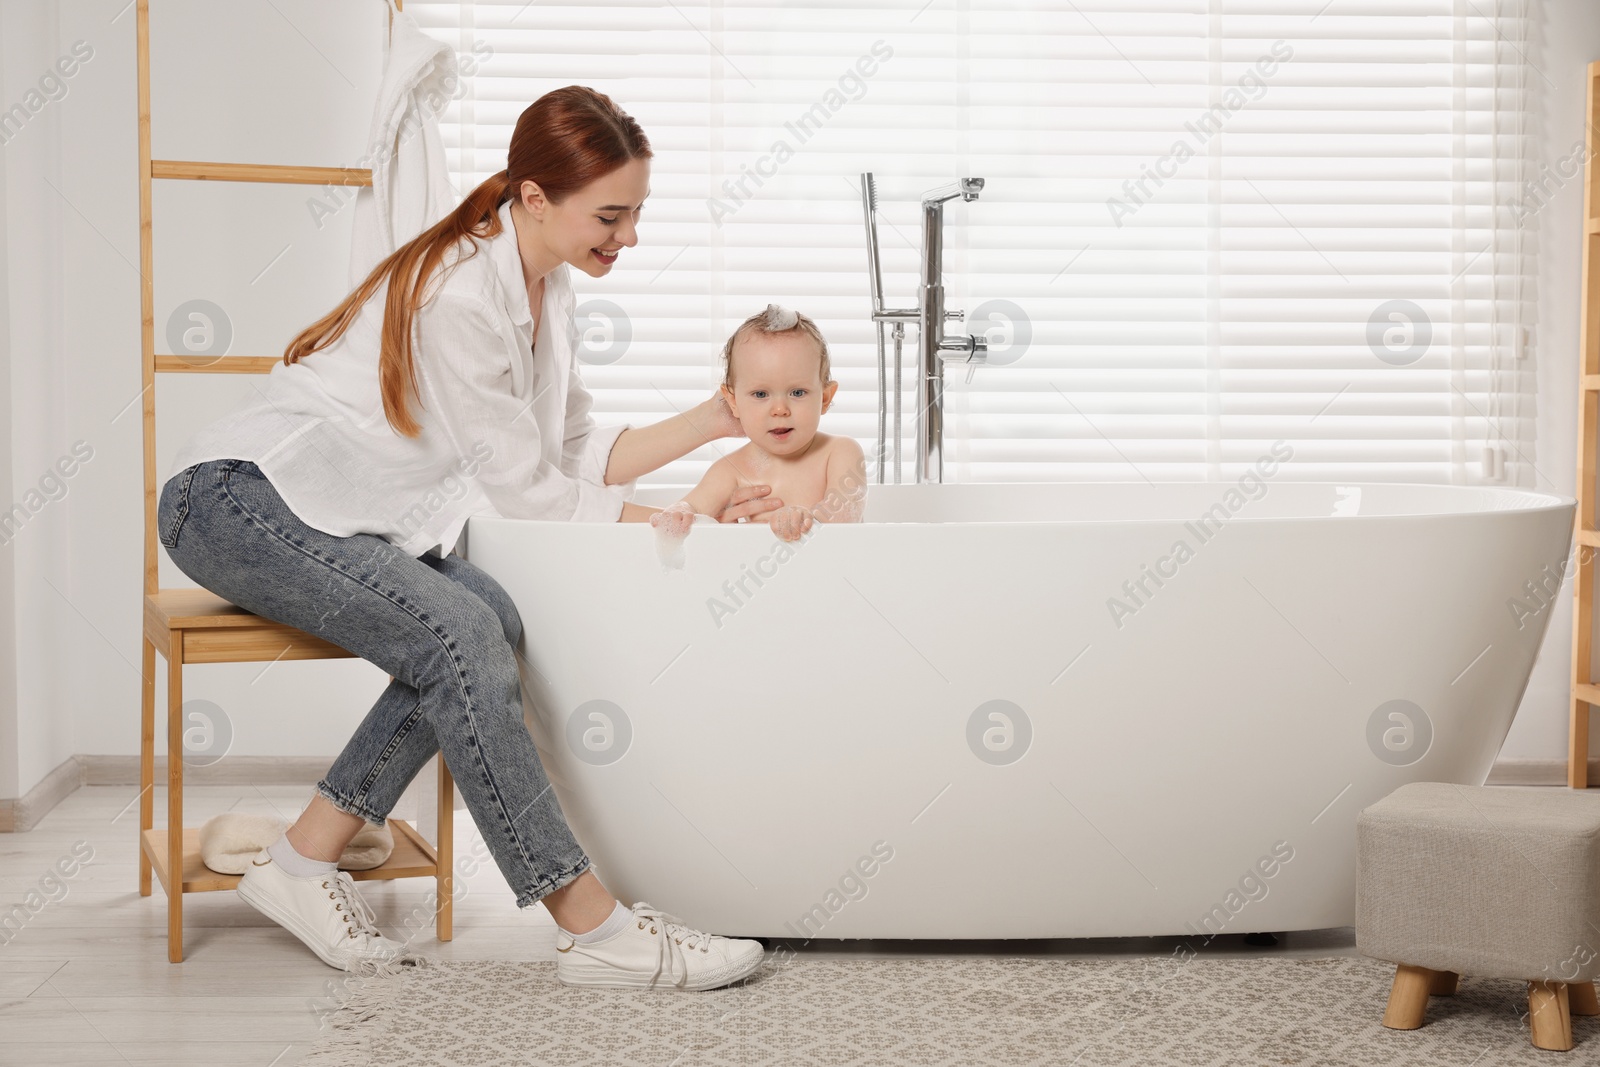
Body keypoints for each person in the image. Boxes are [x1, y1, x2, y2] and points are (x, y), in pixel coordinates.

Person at [156, 85, 782, 991]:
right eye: (611, 216)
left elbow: (566, 454)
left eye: (636, 214)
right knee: (461, 634)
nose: (629, 237)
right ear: (535, 197)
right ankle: (589, 923)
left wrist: (710, 424)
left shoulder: (549, 285)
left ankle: (297, 864)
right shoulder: (460, 292)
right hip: (235, 502)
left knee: (490, 616)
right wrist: (687, 519)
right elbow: (529, 494)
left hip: (337, 515)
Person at [650, 304, 866, 544]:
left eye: (797, 392)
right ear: (733, 401)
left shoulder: (839, 452)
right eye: (761, 394)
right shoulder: (730, 470)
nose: (780, 410)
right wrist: (680, 511)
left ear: (825, 398)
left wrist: (806, 520)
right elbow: (692, 507)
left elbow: (847, 519)